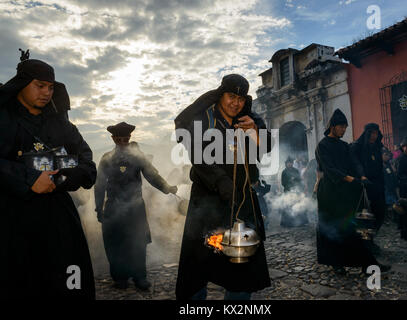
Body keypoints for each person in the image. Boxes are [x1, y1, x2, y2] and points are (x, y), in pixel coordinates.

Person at [0, 52, 97, 299]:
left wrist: (58, 179)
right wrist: (29, 178)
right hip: (13, 219)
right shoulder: (4, 120)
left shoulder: (62, 125)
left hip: (59, 219)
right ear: (22, 85)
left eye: (51, 87)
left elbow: (88, 165)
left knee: (66, 283)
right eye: (40, 86)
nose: (46, 93)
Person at [174, 74, 272, 300]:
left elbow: (265, 149)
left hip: (242, 199)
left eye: (240, 98)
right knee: (199, 260)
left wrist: (254, 133)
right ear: (221, 95)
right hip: (207, 200)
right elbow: (198, 155)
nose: (236, 103)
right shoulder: (202, 119)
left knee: (242, 262)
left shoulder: (249, 119)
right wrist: (220, 180)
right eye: (231, 96)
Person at [94, 122, 177, 290]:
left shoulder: (139, 157)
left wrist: (167, 187)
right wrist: (98, 208)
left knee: (138, 243)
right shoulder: (106, 158)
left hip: (135, 207)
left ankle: (140, 277)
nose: (124, 142)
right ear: (114, 139)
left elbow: (152, 175)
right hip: (113, 207)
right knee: (115, 244)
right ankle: (119, 278)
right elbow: (100, 185)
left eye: (126, 139)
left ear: (130, 138)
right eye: (120, 139)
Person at [315, 108, 389, 275]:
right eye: (341, 127)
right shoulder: (322, 145)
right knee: (332, 229)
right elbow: (330, 169)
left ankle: (367, 264)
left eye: (345, 128)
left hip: (346, 192)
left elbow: (354, 163)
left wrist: (361, 176)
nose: (343, 130)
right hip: (329, 193)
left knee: (353, 229)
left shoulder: (344, 146)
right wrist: (350, 179)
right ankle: (336, 263)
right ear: (332, 127)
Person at [350, 123, 385, 232]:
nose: (374, 136)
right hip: (363, 185)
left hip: (377, 184)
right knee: (364, 214)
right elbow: (356, 163)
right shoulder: (357, 146)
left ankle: (373, 233)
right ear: (367, 133)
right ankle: (365, 240)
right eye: (372, 133)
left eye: (376, 133)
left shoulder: (377, 146)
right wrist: (362, 175)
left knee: (380, 210)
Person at [280, 157, 306, 227]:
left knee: (297, 206)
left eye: (291, 163)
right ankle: (288, 223)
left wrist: (295, 181)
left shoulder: (296, 171)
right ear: (286, 164)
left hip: (296, 191)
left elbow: (299, 180)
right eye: (288, 163)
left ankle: (300, 222)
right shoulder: (284, 172)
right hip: (288, 191)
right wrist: (289, 181)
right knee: (287, 206)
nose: (289, 164)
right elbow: (283, 183)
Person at [382, 148, 398, 224]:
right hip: (384, 187)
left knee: (394, 203)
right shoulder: (379, 165)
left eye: (388, 155)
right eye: (385, 155)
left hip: (391, 186)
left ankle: (394, 218)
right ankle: (385, 218)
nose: (387, 157)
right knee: (385, 204)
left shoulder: (389, 164)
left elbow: (393, 173)